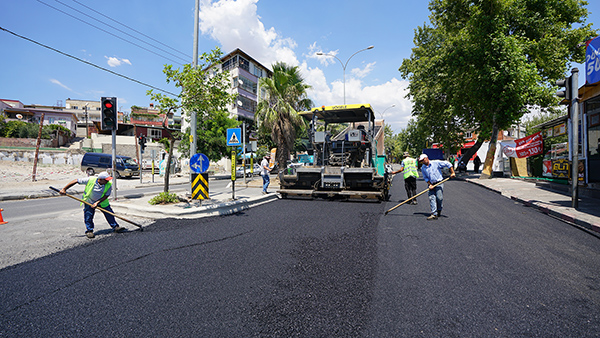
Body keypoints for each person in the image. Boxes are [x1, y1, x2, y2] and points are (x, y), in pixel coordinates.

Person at [60, 171, 125, 238]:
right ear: (100, 179)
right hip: (89, 201)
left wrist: (97, 203)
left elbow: (106, 195)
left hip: (102, 201)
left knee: (109, 214)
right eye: (106, 180)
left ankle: (115, 227)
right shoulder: (90, 179)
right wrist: (64, 189)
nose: (107, 181)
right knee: (88, 216)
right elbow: (76, 180)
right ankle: (89, 231)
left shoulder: (108, 184)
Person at [418, 154, 456, 220]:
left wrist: (452, 172)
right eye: (421, 161)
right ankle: (434, 213)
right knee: (431, 198)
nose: (423, 162)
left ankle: (439, 210)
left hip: (439, 183)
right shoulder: (423, 168)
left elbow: (448, 164)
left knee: (439, 198)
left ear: (427, 158)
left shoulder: (436, 163)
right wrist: (430, 184)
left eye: (423, 160)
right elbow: (425, 178)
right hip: (431, 184)